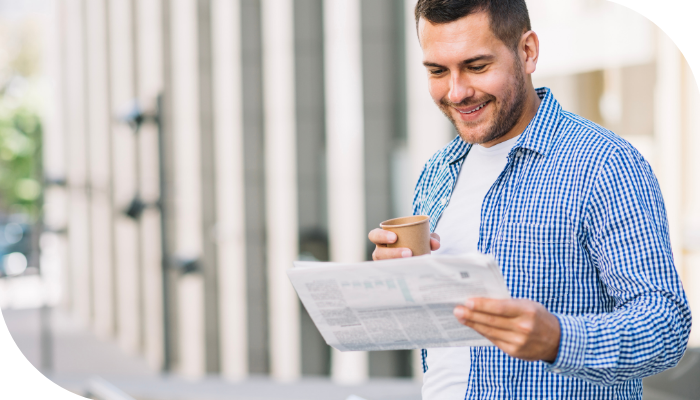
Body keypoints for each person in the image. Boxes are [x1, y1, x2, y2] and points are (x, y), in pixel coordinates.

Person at [367, 0, 691, 398]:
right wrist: (403, 279)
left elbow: (666, 326)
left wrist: (558, 339)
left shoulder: (605, 164)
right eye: (437, 71)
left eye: (477, 66)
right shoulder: (437, 171)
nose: (456, 91)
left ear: (527, 51)